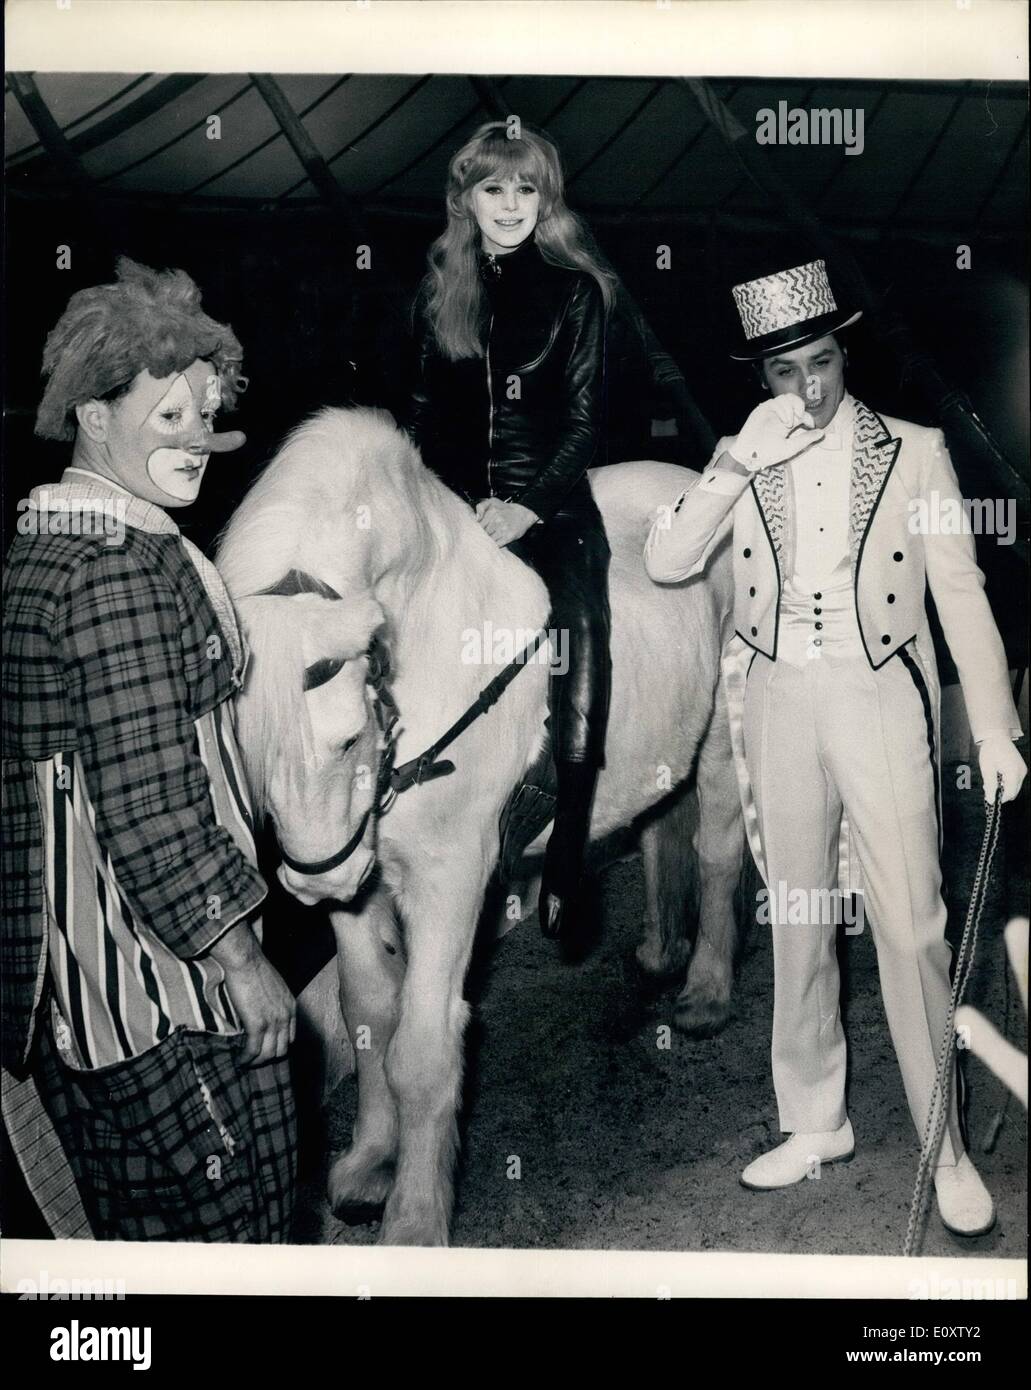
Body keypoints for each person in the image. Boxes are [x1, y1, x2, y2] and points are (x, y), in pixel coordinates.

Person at [644, 258, 1026, 1237]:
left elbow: (961, 597)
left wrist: (989, 723)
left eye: (819, 363)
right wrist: (733, 462)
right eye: (784, 373)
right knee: (798, 920)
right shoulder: (743, 454)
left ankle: (940, 1144)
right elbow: (666, 558)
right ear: (760, 376)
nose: (807, 389)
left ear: (840, 351)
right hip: (777, 699)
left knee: (908, 926)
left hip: (876, 695)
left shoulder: (916, 451)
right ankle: (815, 1122)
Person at [2, 258, 296, 1241]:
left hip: (80, 1010)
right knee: (243, 1231)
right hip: (165, 1000)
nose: (197, 440)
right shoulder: (115, 573)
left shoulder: (50, 544)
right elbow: (153, 808)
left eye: (203, 415)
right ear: (91, 412)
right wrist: (242, 958)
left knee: (143, 1245)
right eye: (167, 416)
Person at [406, 121, 614, 940]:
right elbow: (423, 415)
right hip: (459, 511)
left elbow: (587, 423)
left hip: (552, 510)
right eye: (494, 188)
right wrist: (449, 510)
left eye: (527, 188)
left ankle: (567, 846)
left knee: (580, 629)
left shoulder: (577, 290)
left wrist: (525, 508)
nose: (510, 204)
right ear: (466, 198)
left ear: (547, 199)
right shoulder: (440, 292)